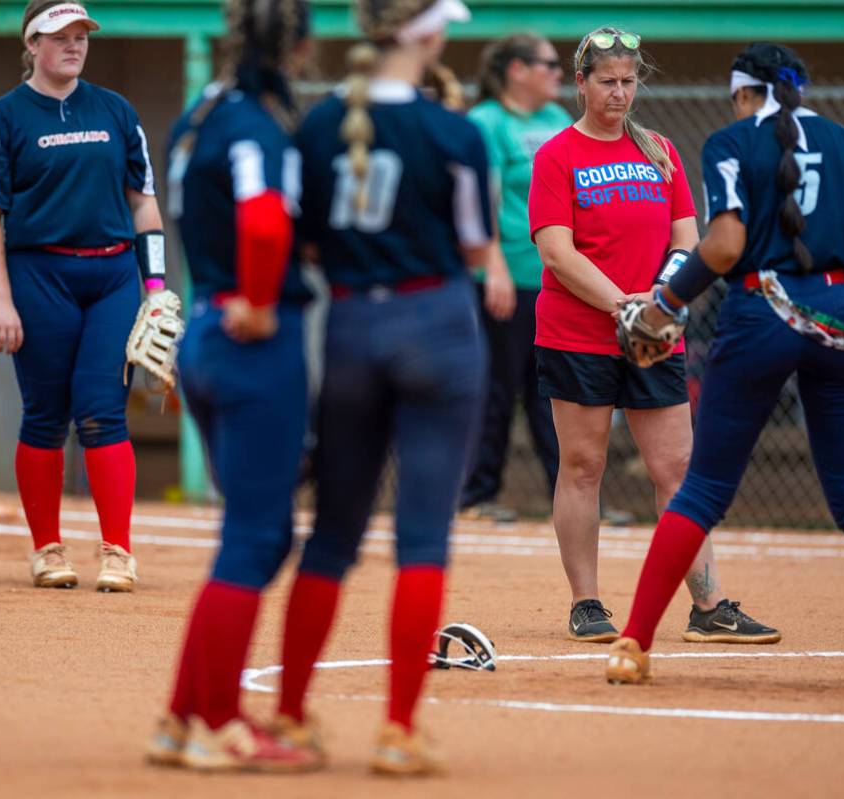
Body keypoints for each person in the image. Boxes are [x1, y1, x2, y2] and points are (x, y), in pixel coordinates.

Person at [607, 42, 844, 694]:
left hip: (759, 311)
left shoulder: (731, 141)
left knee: (702, 488)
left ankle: (632, 646)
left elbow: (725, 245)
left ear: (741, 94)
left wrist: (665, 302)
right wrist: (840, 317)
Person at [274, 0, 492, 776]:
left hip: (351, 329)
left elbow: (301, 238)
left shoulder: (321, 125)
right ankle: (398, 730)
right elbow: (473, 242)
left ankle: (291, 718)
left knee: (332, 536)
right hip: (436, 322)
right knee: (422, 539)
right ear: (427, 34)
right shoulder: (454, 132)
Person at [529, 27, 779, 644]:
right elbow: (557, 253)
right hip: (579, 332)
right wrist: (624, 305)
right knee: (584, 464)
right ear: (581, 83)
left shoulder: (659, 150)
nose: (618, 93)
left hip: (652, 332)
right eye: (606, 81)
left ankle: (709, 604)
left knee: (678, 467)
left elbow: (687, 241)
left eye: (628, 81)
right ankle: (586, 602)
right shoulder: (557, 154)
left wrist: (660, 301)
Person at [144, 0, 319, 773]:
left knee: (255, 534)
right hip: (249, 339)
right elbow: (263, 223)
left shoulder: (204, 111)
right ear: (297, 45)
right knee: (253, 537)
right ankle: (215, 722)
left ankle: (184, 717)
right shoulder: (252, 121)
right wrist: (256, 297)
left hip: (207, 335)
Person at [0, 1, 166, 592]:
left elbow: (144, 202)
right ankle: (47, 551)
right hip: (39, 277)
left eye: (81, 36)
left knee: (104, 410)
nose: (74, 46)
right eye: (60, 37)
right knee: (47, 414)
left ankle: (118, 553)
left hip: (110, 277)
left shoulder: (116, 111)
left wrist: (154, 288)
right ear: (32, 44)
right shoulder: (3, 118)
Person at [460, 32, 570, 522]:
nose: (559, 73)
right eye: (548, 63)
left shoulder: (559, 121)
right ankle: (478, 495)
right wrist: (495, 269)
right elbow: (479, 201)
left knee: (557, 393)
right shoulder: (486, 122)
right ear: (516, 70)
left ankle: (571, 497)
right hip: (506, 278)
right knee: (498, 388)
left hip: (557, 279)